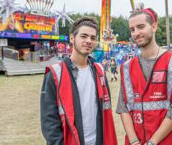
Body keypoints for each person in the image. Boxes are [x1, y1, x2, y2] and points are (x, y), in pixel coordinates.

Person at [116, 8, 172, 145]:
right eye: (132, 29)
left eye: (140, 27)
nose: (136, 33)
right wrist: (133, 141)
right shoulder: (126, 67)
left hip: (167, 141)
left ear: (154, 26)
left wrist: (152, 142)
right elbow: (124, 108)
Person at [40, 17, 117, 145]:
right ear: (72, 38)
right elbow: (49, 121)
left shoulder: (100, 71)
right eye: (84, 36)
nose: (88, 41)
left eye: (92, 38)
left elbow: (105, 112)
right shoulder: (55, 74)